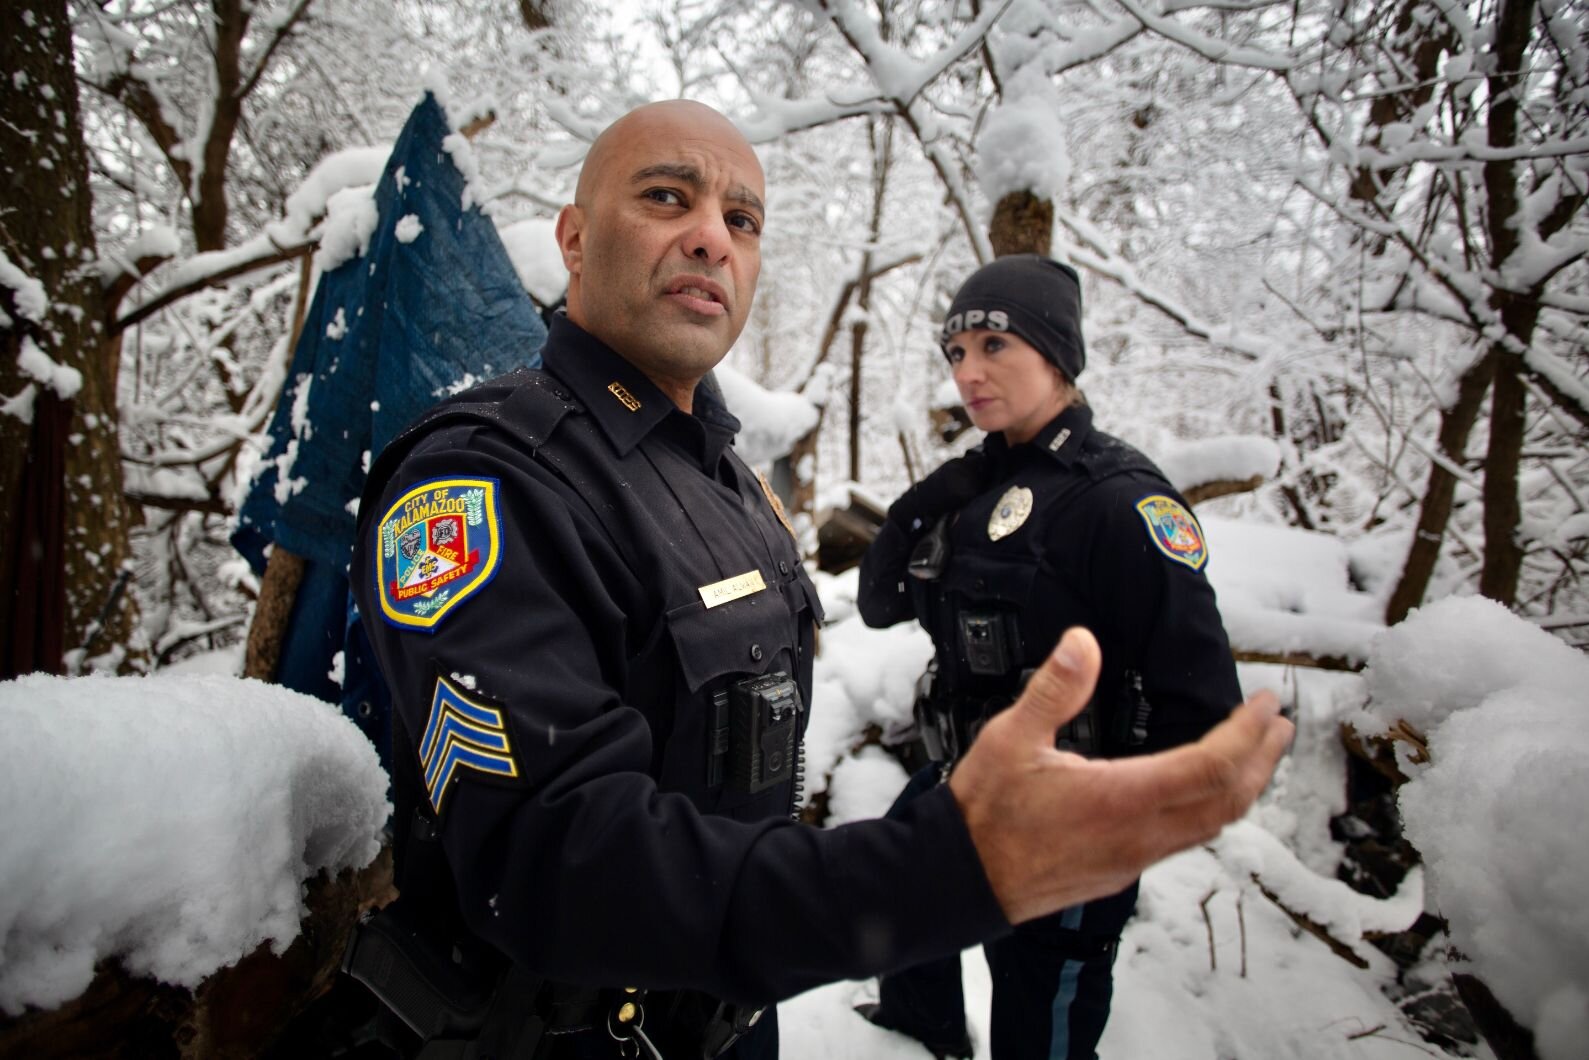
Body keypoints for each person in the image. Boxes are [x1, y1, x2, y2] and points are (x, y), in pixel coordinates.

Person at [349, 101, 1292, 1060]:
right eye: (667, 197)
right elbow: (555, 860)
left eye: (742, 220)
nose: (711, 237)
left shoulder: (728, 483)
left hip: (732, 1013)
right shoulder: (485, 480)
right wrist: (931, 873)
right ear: (576, 239)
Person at [853, 254, 1244, 1059]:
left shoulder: (1121, 500)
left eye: (995, 345)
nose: (968, 371)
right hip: (966, 776)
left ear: (1056, 355)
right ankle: (920, 1032)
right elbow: (881, 602)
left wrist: (1108, 826)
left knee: (1041, 1005)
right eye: (956, 352)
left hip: (1066, 814)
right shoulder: (980, 488)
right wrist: (927, 499)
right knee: (897, 896)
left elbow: (1204, 707)